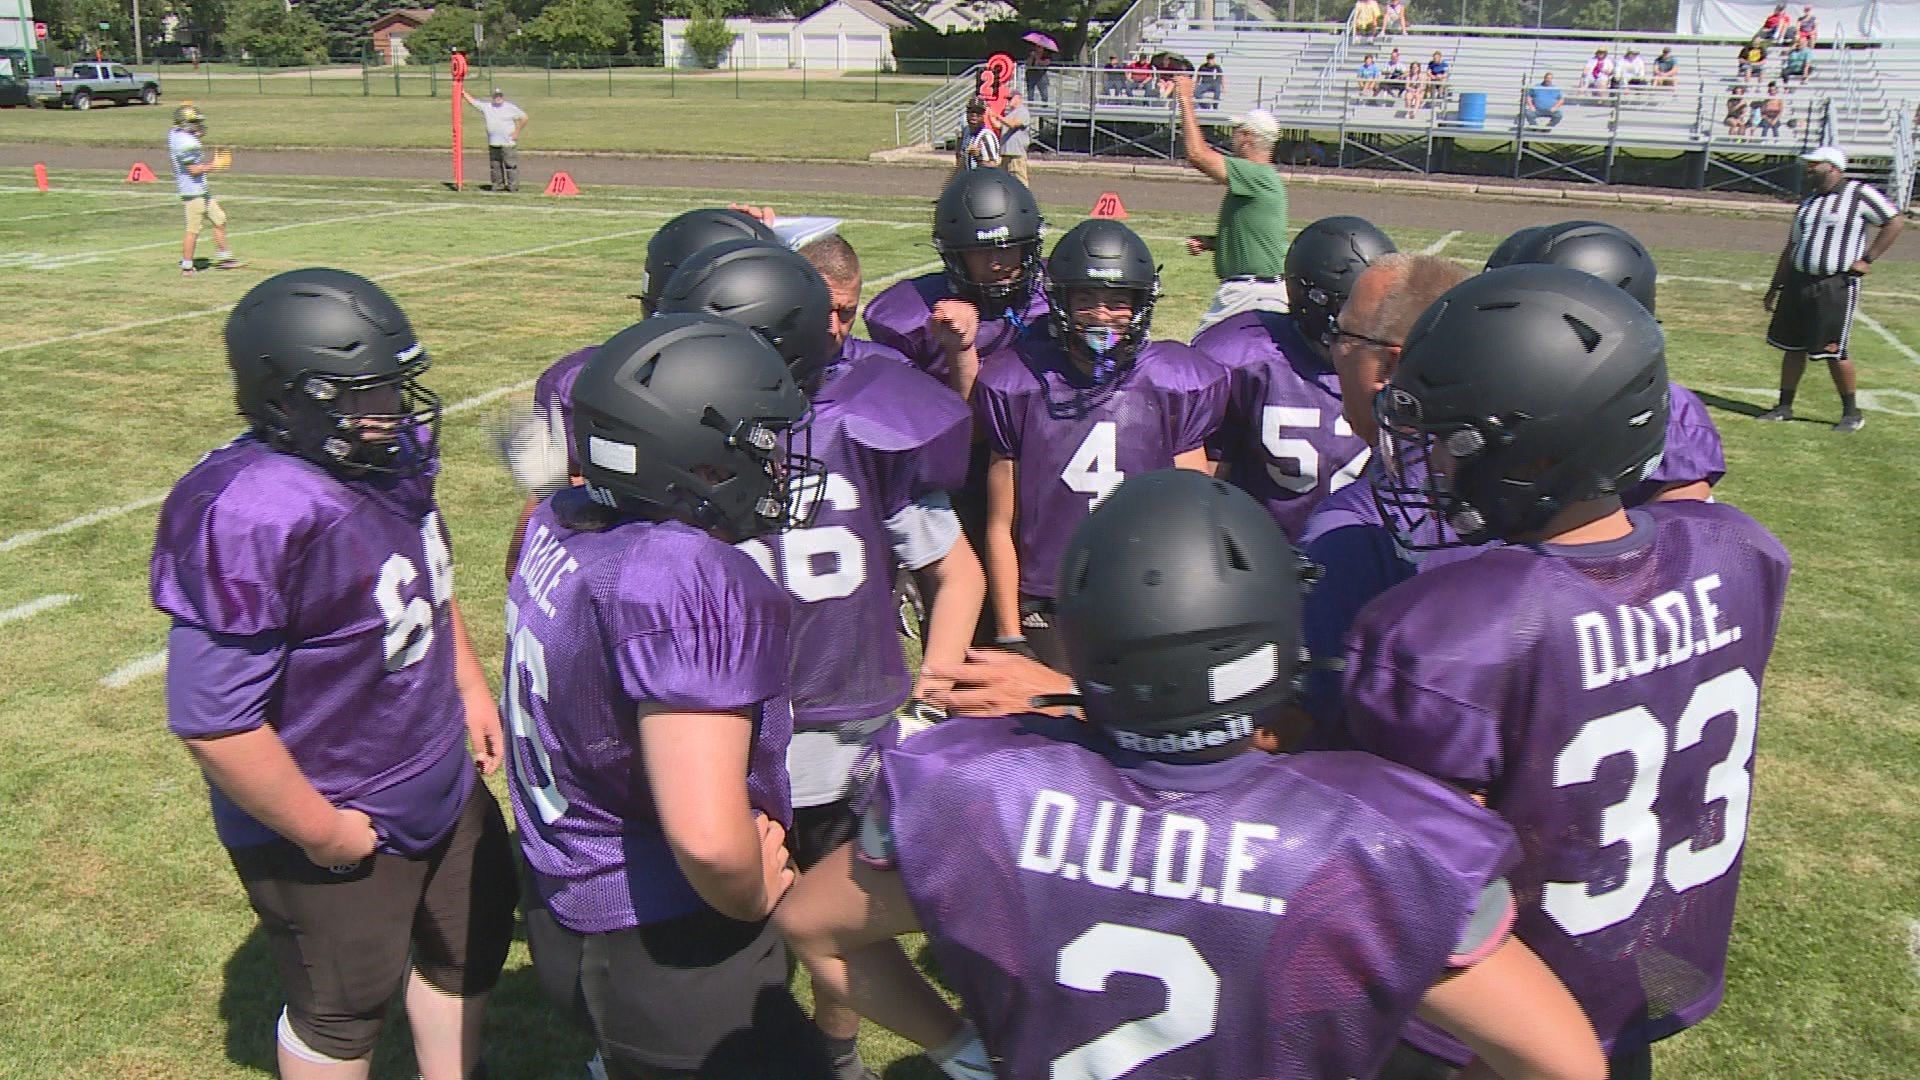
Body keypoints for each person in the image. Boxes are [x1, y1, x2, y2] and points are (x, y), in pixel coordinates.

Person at [778, 469, 1610, 1080]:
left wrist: (959, 1049)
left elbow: (812, 927)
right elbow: (1565, 1064)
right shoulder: (1378, 844)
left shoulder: (972, 788)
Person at [1349, 264, 1792, 1080]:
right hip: (1631, 977)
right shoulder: (1736, 550)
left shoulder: (1454, 628)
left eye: (1452, 439)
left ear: (1539, 450)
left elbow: (1417, 882)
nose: (1431, 462)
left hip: (1489, 1023)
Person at [152, 268, 516, 1080]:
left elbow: (422, 567)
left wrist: (465, 681)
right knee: (344, 1006)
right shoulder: (251, 509)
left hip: (433, 771)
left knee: (470, 941)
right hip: (337, 800)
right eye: (365, 392)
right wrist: (325, 831)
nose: (391, 408)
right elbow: (213, 718)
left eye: (393, 384)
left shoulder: (383, 453)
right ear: (289, 398)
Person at [657, 237, 982, 1080]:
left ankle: (837, 1051)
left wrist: (933, 695)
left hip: (847, 724)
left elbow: (957, 573)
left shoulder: (863, 426)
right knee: (728, 939)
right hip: (725, 731)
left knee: (843, 923)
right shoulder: (680, 429)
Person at [510, 313, 835, 1080]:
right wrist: (750, 886)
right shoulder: (686, 577)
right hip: (665, 932)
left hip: (569, 895)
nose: (777, 467)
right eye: (758, 445)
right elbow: (707, 839)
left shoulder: (565, 519)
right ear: (693, 457)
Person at [974, 218, 1228, 668]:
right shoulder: (1017, 382)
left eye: (1116, 301)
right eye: (1086, 299)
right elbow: (1000, 523)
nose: (1101, 315)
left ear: (1141, 304)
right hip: (1048, 596)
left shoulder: (1173, 381)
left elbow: (1195, 513)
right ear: (1060, 302)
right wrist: (1010, 633)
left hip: (1146, 590)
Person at [501, 206, 777, 577]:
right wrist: (552, 491)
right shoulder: (594, 385)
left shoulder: (594, 379)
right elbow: (532, 555)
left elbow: (529, 561)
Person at [1194, 214, 1392, 540]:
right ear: (1313, 301)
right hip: (1261, 559)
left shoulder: (1396, 358)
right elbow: (1205, 478)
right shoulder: (1245, 355)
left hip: (1361, 553)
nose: (1375, 321)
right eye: (1356, 307)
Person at [1761, 145, 1905, 432]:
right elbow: (1792, 246)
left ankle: (1852, 413)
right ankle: (1784, 406)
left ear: (1833, 167)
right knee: (1792, 347)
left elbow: (1894, 220)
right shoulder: (1809, 202)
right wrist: (1776, 285)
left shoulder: (1858, 193)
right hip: (1798, 281)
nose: (1809, 168)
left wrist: (1867, 259)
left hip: (1834, 284)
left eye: (1815, 164)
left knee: (1833, 350)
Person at [1166, 74, 1292, 336]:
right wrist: (1214, 243)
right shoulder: (1260, 178)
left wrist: (1186, 99)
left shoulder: (1256, 174)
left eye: (1237, 132)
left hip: (1249, 293)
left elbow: (1198, 155)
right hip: (1258, 290)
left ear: (1247, 137)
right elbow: (1255, 235)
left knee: (1202, 358)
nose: (1232, 138)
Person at [168, 104, 240, 275]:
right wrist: (215, 165)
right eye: (194, 122)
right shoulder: (186, 144)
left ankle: (225, 257)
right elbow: (193, 170)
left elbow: (183, 134)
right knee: (193, 229)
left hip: (201, 188)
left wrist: (195, 134)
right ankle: (187, 266)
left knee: (219, 219)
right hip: (193, 191)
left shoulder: (177, 134)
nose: (198, 125)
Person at [463, 86, 526, 192]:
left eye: (500, 96)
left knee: (510, 165)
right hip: (494, 142)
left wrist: (516, 132)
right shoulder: (487, 107)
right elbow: (473, 102)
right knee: (495, 165)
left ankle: (512, 186)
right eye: (496, 96)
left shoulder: (510, 107)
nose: (498, 98)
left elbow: (524, 117)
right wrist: (463, 93)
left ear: (503, 97)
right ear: (493, 97)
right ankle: (498, 185)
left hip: (508, 142)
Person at [994, 90, 1032, 186]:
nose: (1008, 101)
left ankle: (1024, 200)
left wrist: (998, 117)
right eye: (1008, 99)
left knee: (1020, 181)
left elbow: (1012, 124)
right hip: (1006, 153)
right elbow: (998, 126)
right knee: (1003, 181)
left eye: (1010, 98)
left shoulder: (1023, 111)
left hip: (1016, 154)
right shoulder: (1010, 113)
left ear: (1018, 98)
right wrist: (989, 114)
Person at [956, 97, 1001, 172]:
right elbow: (961, 159)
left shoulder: (986, 136)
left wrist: (978, 156)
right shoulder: (966, 132)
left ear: (983, 115)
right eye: (971, 111)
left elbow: (993, 165)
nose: (974, 115)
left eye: (978, 113)